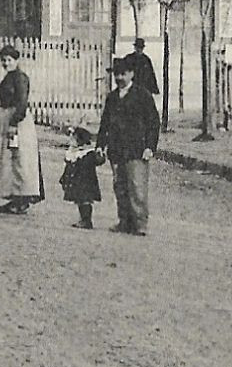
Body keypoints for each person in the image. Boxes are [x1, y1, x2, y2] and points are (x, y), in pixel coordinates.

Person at [98, 57, 161, 235]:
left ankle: (140, 224)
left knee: (137, 187)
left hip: (136, 149)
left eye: (123, 74)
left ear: (131, 74)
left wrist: (150, 146)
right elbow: (105, 124)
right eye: (116, 74)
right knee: (120, 186)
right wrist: (101, 144)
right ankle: (124, 221)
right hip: (117, 150)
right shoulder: (112, 98)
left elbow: (153, 123)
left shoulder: (143, 95)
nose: (119, 78)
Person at [0, 44, 43, 214]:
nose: (6, 63)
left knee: (19, 158)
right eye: (4, 60)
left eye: (9, 60)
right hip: (6, 119)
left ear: (16, 60)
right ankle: (11, 196)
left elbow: (22, 102)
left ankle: (22, 198)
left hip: (18, 122)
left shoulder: (20, 78)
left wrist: (13, 123)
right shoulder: (8, 77)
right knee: (7, 159)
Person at [59, 125, 105, 230]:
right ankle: (83, 219)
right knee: (79, 201)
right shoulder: (72, 153)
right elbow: (69, 167)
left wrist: (101, 155)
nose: (70, 141)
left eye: (73, 139)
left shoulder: (87, 154)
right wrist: (64, 179)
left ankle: (86, 220)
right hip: (76, 183)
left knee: (85, 201)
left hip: (86, 183)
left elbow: (98, 161)